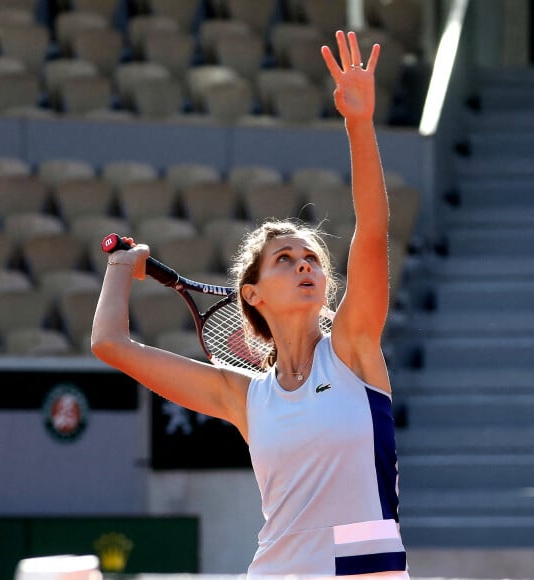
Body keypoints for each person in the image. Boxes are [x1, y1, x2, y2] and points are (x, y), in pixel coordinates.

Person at [92, 30, 409, 578]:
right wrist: (122, 266)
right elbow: (110, 344)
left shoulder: (354, 350)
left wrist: (359, 123)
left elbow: (373, 233)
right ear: (252, 295)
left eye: (311, 257)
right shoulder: (243, 398)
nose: (305, 263)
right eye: (285, 259)